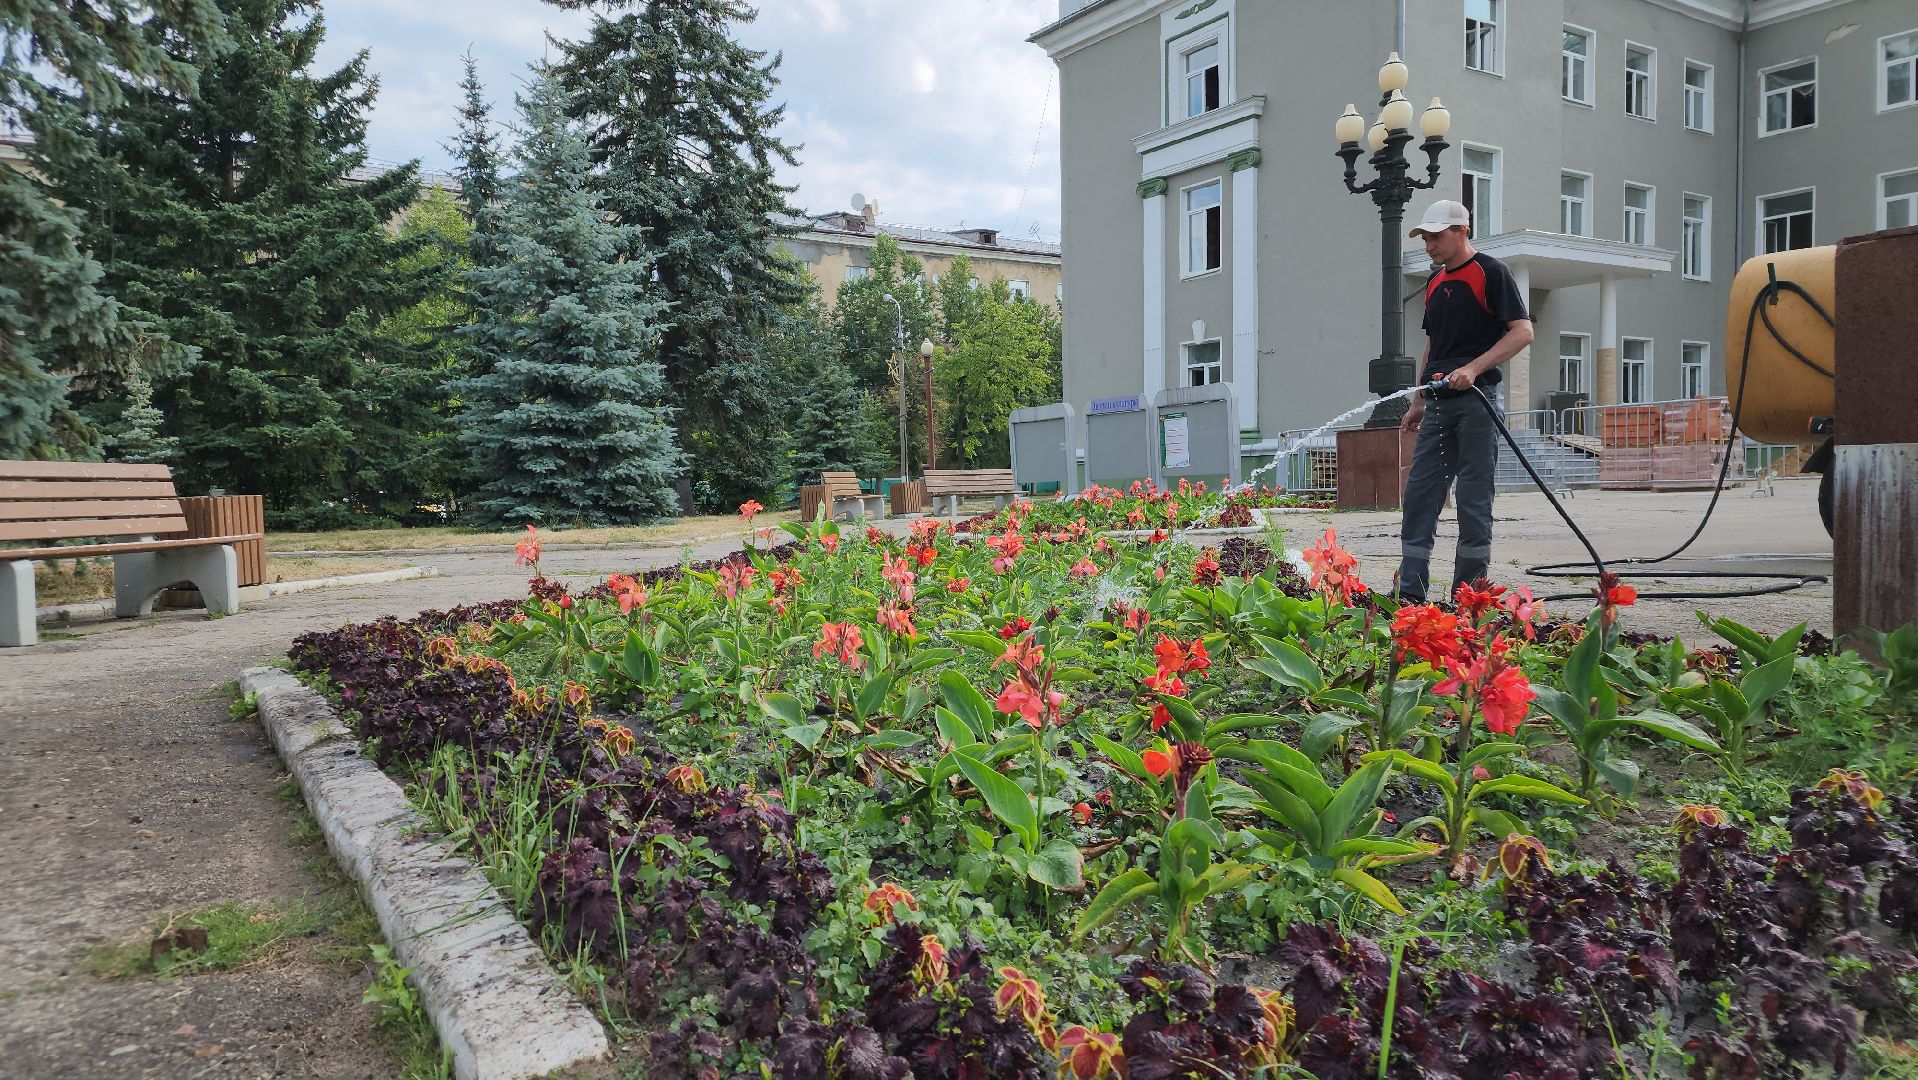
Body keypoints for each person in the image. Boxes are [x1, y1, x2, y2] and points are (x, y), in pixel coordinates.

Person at [1395, 199, 1534, 604]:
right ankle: (1410, 595)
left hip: (1477, 403)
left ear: (1462, 232)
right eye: (1425, 238)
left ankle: (1468, 598)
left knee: (1474, 499)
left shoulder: (1491, 273)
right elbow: (1433, 345)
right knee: (1420, 495)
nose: (1429, 245)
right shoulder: (1436, 284)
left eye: (1436, 237)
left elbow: (1523, 331)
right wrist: (1419, 398)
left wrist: (1473, 369)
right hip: (1438, 404)